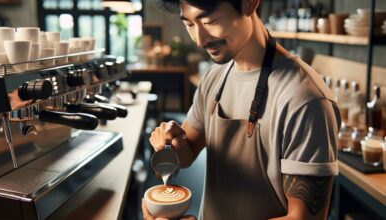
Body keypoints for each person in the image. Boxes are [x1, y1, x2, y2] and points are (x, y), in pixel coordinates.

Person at [143, 0, 341, 219]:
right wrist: (173, 142)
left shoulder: (305, 99)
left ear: (249, 4)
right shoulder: (213, 77)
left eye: (210, 21)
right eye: (189, 24)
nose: (199, 40)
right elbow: (187, 154)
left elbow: (306, 218)